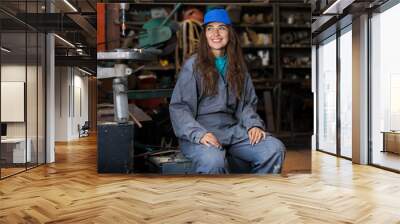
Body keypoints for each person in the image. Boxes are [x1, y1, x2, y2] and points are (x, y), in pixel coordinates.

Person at [169, 8, 285, 174]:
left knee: (273, 149)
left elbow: (246, 104)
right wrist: (199, 134)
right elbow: (180, 108)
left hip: (232, 131)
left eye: (221, 28)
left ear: (230, 32)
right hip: (200, 132)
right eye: (210, 28)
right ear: (204, 34)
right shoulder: (192, 66)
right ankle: (218, 200)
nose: (216, 33)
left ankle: (256, 195)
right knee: (213, 161)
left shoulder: (237, 66)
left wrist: (253, 125)